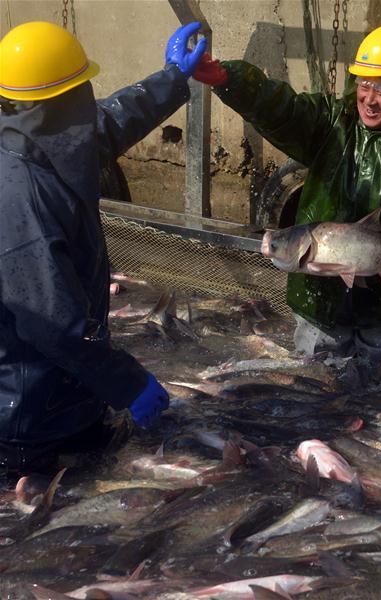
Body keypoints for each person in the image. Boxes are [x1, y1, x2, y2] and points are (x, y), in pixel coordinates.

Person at [191, 24, 381, 375]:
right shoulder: (329, 124)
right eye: (364, 84)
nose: (369, 98)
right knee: (320, 393)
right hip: (321, 308)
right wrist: (229, 78)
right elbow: (280, 108)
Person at [0, 21, 208, 478]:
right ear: (56, 104)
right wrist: (127, 383)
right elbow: (53, 324)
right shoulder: (18, 197)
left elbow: (108, 123)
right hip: (24, 424)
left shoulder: (39, 136)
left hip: (68, 395)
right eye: (80, 92)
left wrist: (172, 77)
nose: (88, 103)